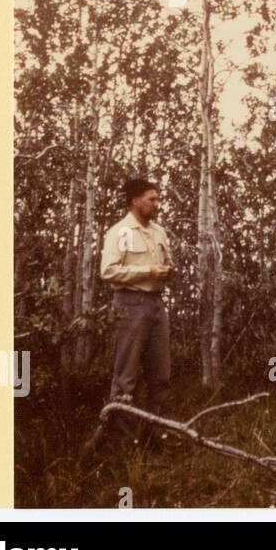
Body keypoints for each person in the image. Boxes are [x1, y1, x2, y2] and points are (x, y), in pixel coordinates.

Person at [100, 178, 175, 446]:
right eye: (151, 199)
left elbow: (163, 265)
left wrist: (166, 272)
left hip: (156, 305)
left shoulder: (159, 232)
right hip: (129, 305)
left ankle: (158, 435)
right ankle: (123, 442)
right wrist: (147, 271)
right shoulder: (120, 232)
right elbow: (108, 272)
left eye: (157, 198)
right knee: (126, 377)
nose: (157, 204)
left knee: (161, 375)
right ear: (135, 200)